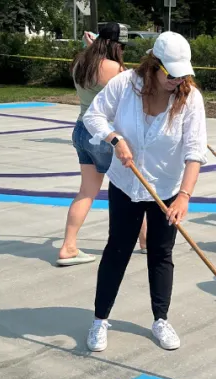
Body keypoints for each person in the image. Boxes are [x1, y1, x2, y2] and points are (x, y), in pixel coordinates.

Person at [81, 31, 207, 352]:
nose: (177, 80)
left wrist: (184, 196)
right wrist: (115, 139)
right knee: (117, 250)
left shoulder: (190, 99)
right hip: (126, 184)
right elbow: (93, 115)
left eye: (182, 74)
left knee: (161, 254)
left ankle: (161, 320)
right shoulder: (125, 85)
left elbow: (195, 150)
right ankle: (99, 321)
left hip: (166, 189)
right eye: (171, 73)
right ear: (155, 64)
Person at [56, 22, 148, 266]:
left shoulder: (80, 63)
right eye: (122, 46)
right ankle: (146, 241)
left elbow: (99, 69)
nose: (123, 51)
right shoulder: (115, 68)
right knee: (135, 187)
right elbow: (133, 87)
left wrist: (94, 49)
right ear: (114, 45)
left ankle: (68, 247)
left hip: (81, 130)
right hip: (105, 134)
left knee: (87, 192)